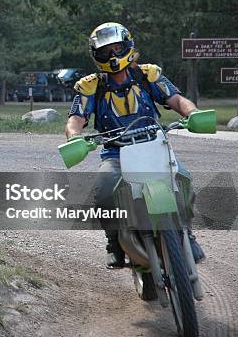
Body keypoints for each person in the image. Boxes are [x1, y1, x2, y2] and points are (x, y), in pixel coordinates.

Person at [65, 22, 205, 268]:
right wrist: (74, 136)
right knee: (104, 190)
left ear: (128, 45)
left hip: (154, 146)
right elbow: (76, 119)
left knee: (183, 179)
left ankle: (187, 232)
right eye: (106, 50)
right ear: (96, 54)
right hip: (115, 152)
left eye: (117, 47)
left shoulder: (147, 74)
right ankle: (114, 242)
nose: (113, 55)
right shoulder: (91, 85)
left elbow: (176, 99)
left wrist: (192, 113)